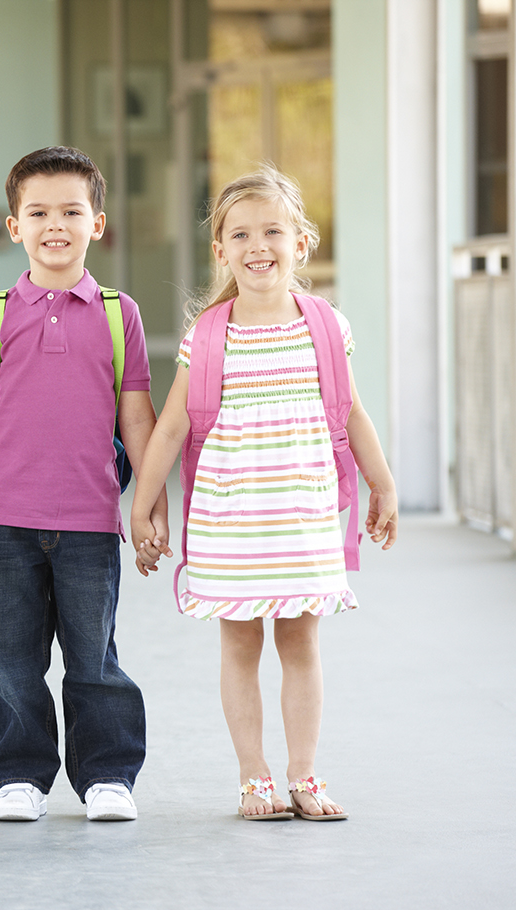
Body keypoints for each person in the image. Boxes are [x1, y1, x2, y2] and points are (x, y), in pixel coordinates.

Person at [129, 167, 397, 821]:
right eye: (240, 233)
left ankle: (304, 774)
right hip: (231, 524)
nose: (258, 245)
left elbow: (353, 412)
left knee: (302, 645)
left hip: (303, 520)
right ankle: (254, 777)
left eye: (273, 230)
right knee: (241, 647)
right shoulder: (210, 335)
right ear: (220, 249)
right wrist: (143, 504)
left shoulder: (325, 326)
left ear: (300, 242)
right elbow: (172, 424)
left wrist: (381, 480)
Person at [0, 146, 162, 823]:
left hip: (90, 521)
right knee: (11, 661)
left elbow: (136, 417)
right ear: (16, 227)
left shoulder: (118, 312)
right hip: (6, 519)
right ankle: (20, 774)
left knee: (93, 658)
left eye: (72, 210)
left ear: (97, 222)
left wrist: (148, 506)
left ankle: (107, 774)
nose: (55, 225)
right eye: (38, 212)